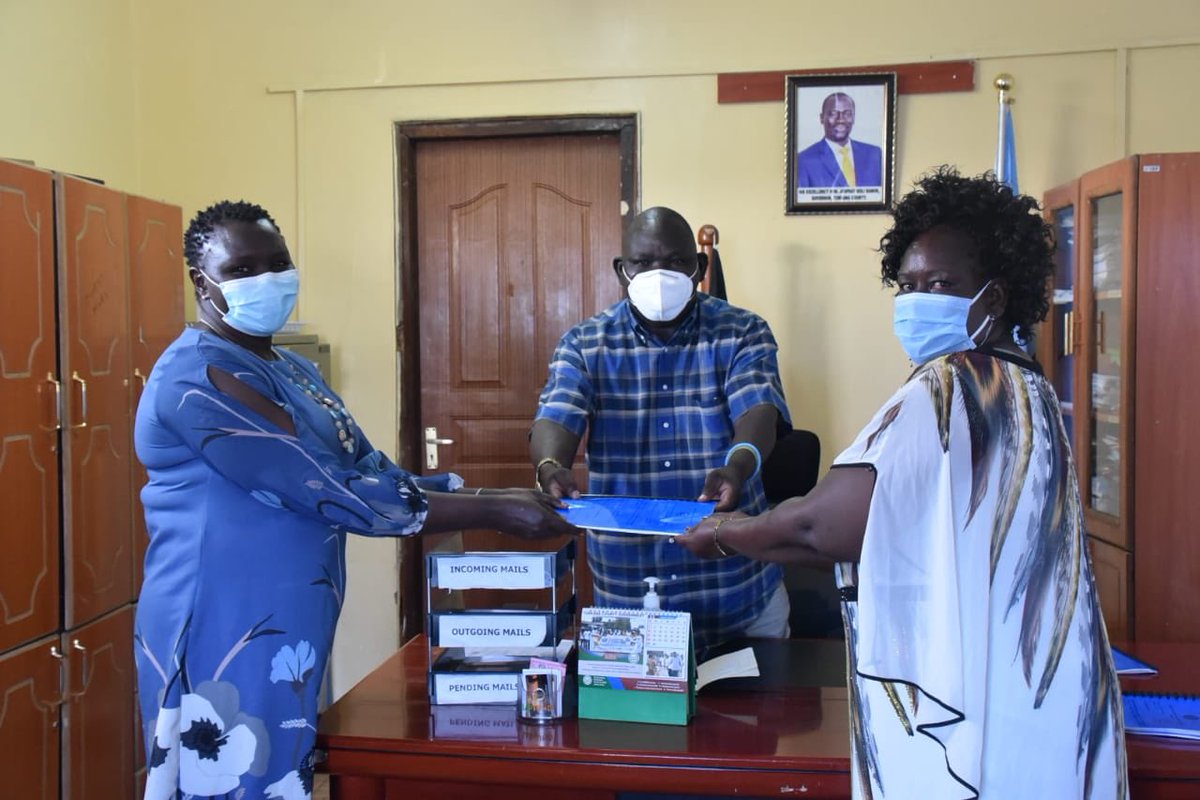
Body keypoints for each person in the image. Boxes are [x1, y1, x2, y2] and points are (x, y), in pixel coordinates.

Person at [679, 169, 1127, 798]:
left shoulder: (948, 386)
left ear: (994, 298)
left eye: (942, 284)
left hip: (975, 720)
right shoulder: (1030, 385)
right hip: (1040, 698)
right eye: (908, 285)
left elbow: (819, 527)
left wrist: (726, 533)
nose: (918, 301)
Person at [134, 200, 578, 800]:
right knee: (235, 774)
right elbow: (323, 486)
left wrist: (493, 493)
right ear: (201, 282)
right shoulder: (199, 377)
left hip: (284, 618)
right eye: (243, 269)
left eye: (278, 261)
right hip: (219, 616)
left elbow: (367, 469)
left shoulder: (286, 367)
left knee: (278, 767)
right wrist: (496, 511)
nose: (267, 279)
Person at [530, 206, 793, 657]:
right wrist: (551, 465)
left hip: (738, 594)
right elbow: (558, 412)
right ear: (621, 271)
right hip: (630, 599)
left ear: (700, 267)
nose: (659, 273)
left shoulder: (742, 331)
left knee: (758, 725)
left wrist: (737, 466)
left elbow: (760, 411)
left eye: (674, 262)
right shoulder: (585, 343)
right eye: (644, 263)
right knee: (640, 729)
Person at [796, 92, 884, 189]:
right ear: (822, 118)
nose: (841, 120)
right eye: (833, 114)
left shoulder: (874, 155)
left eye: (847, 114)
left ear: (853, 118)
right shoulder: (804, 160)